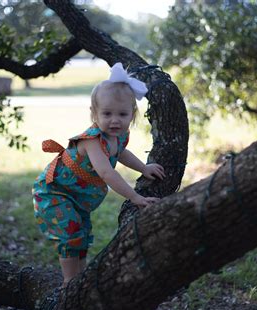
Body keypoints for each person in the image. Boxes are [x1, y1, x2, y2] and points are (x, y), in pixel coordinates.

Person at [32, 62, 165, 286]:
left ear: (132, 115)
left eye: (122, 114)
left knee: (81, 234)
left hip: (77, 196)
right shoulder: (92, 140)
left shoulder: (119, 136)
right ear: (94, 114)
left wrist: (144, 168)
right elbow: (106, 172)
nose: (115, 120)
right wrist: (134, 197)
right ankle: (69, 281)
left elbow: (122, 154)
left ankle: (79, 278)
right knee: (70, 233)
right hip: (55, 191)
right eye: (107, 113)